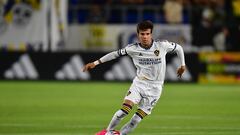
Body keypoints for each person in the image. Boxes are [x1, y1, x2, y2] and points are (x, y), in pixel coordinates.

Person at [82, 20, 186, 135]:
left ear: (151, 34)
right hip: (139, 84)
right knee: (124, 111)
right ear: (138, 35)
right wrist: (96, 63)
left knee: (135, 120)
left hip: (156, 88)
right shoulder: (132, 48)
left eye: (147, 34)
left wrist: (182, 65)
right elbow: (114, 54)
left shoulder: (162, 45)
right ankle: (107, 132)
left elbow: (179, 48)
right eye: (142, 34)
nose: (145, 37)